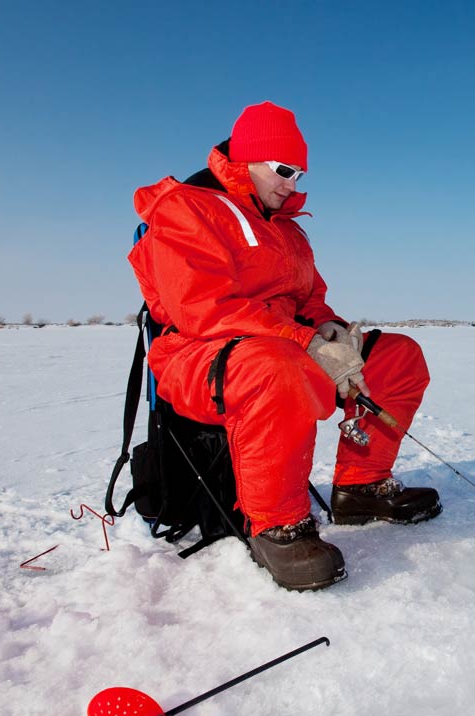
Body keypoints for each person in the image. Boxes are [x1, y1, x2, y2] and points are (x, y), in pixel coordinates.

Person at [128, 101, 440, 591]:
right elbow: (201, 309)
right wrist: (306, 341)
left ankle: (360, 490)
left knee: (398, 356)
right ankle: (278, 527)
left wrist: (332, 330)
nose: (293, 184)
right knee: (275, 367)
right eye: (284, 170)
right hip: (197, 355)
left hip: (285, 348)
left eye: (300, 173)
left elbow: (311, 298)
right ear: (248, 159)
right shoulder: (187, 208)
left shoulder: (289, 230)